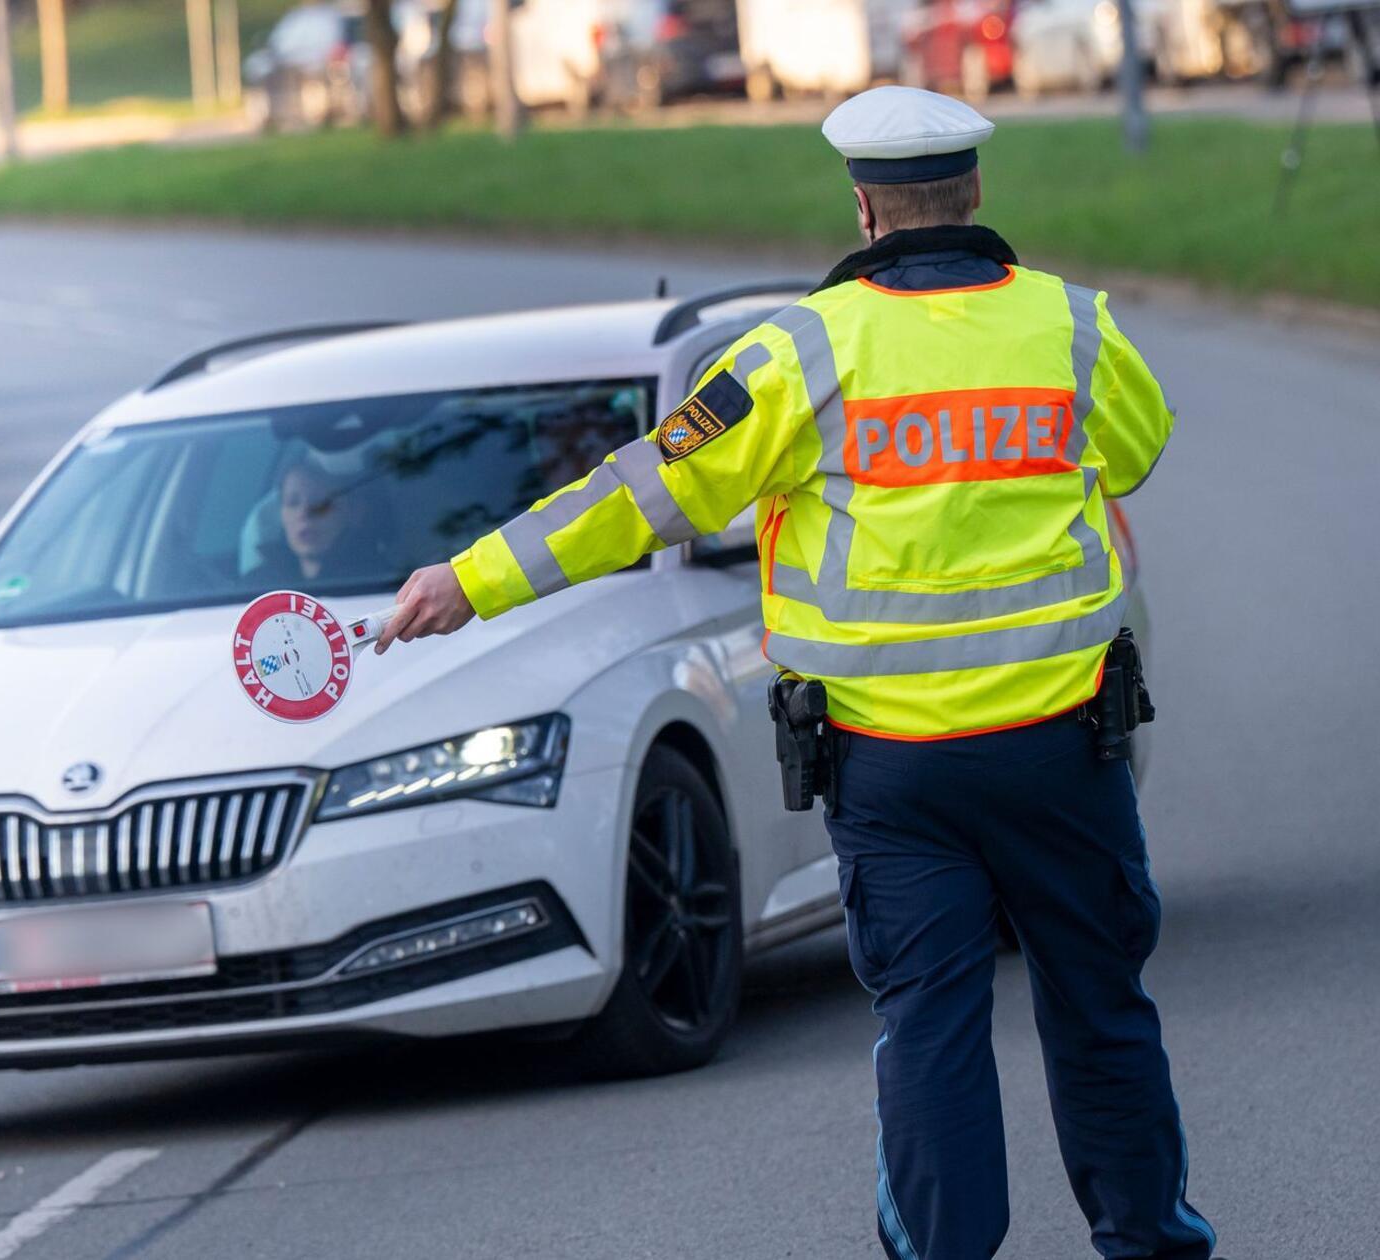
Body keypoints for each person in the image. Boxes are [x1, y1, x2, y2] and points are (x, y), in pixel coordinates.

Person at [374, 87, 1216, 1260]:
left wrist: (470, 578)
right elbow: (1137, 449)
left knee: (929, 1028)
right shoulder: (1071, 326)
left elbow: (634, 494)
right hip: (1062, 750)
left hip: (893, 775)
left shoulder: (795, 355)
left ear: (864, 207)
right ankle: (1149, 1245)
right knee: (1102, 1012)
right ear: (972, 193)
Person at [246, 456, 391, 585]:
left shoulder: (386, 584)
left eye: (320, 502)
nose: (304, 513)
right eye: (292, 502)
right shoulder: (256, 586)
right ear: (281, 515)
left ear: (354, 512)